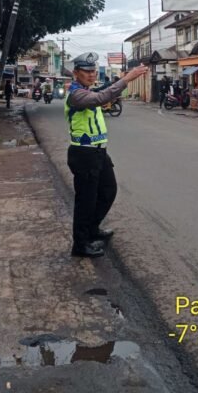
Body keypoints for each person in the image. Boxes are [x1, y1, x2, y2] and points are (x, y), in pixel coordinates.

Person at [65, 52, 148, 258]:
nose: (92, 75)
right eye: (87, 71)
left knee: (108, 191)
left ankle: (92, 229)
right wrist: (127, 78)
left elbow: (102, 92)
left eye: (94, 71)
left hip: (99, 152)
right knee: (86, 200)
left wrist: (123, 81)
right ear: (76, 73)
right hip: (84, 154)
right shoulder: (76, 94)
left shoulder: (86, 91)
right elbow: (102, 97)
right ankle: (80, 244)